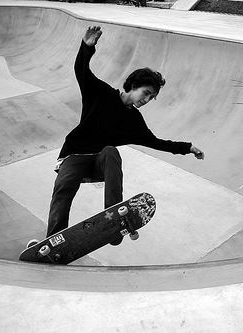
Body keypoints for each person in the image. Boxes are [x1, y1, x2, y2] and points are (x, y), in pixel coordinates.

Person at [45, 26, 205, 245]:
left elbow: (157, 143)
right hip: (75, 155)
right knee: (63, 188)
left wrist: (188, 147)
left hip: (100, 162)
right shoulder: (100, 92)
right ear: (134, 85)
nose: (147, 100)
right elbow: (81, 71)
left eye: (152, 98)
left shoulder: (135, 122)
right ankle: (54, 239)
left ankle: (114, 219)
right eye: (146, 93)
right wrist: (87, 48)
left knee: (111, 151)